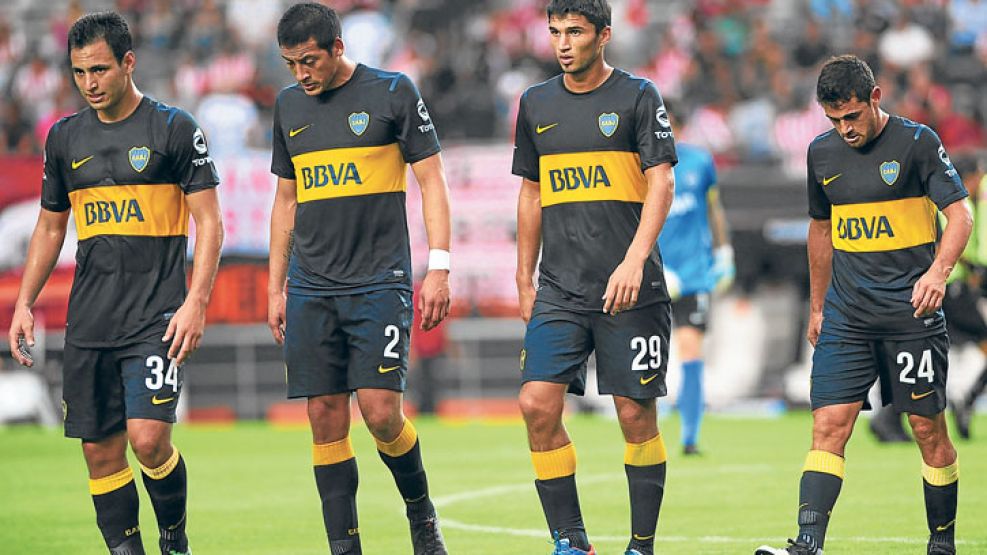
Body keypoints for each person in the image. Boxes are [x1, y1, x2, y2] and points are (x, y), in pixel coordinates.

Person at [7, 12, 223, 555]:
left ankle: (174, 537)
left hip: (155, 318)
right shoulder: (64, 138)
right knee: (100, 454)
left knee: (149, 441)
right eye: (79, 72)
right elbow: (51, 225)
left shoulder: (173, 128)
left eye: (100, 69)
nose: (90, 83)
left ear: (129, 62)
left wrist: (196, 302)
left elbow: (210, 222)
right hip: (90, 321)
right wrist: (24, 303)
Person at [756, 55, 972, 555]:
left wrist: (937, 273)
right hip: (847, 317)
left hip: (910, 316)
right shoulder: (822, 154)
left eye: (851, 116)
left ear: (875, 98)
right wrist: (816, 307)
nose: (844, 129)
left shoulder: (918, 144)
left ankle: (942, 544)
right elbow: (821, 229)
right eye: (834, 120)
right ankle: (807, 545)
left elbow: (960, 215)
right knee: (829, 425)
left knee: (926, 429)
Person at [266, 4, 451, 554]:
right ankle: (344, 547)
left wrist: (438, 265)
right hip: (312, 286)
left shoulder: (393, 93)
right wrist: (277, 286)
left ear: (337, 48)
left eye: (309, 60)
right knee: (324, 417)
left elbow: (432, 181)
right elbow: (285, 200)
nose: (301, 73)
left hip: (379, 281)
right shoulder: (287, 107)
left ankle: (421, 513)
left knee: (379, 412)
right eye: (290, 63)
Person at [512, 1, 677, 554]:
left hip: (631, 288)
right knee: (537, 403)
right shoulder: (535, 103)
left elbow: (661, 183)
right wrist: (523, 275)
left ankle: (641, 545)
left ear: (603, 36)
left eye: (575, 32)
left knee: (634, 414)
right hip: (560, 286)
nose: (562, 43)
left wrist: (633, 260)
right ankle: (571, 542)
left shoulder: (637, 97)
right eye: (555, 31)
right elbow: (532, 192)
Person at [657, 105, 733, 456]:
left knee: (690, 349)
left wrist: (724, 253)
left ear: (680, 125)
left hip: (693, 275)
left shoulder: (700, 163)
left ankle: (689, 436)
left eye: (668, 124)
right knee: (650, 356)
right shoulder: (638, 167)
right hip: (653, 276)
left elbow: (713, 209)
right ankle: (646, 435)